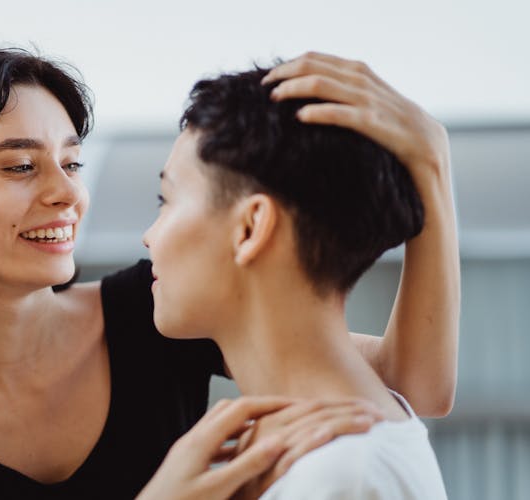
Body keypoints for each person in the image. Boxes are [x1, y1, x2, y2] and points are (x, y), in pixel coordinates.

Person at [0, 45, 458, 499]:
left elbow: (412, 385)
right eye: (19, 166)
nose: (66, 193)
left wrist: (432, 169)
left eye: (71, 163)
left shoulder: (152, 312)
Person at [140, 53, 455, 499]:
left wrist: (432, 162)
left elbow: (421, 381)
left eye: (164, 200)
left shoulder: (340, 476)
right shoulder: (329, 458)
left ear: (249, 229)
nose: (148, 237)